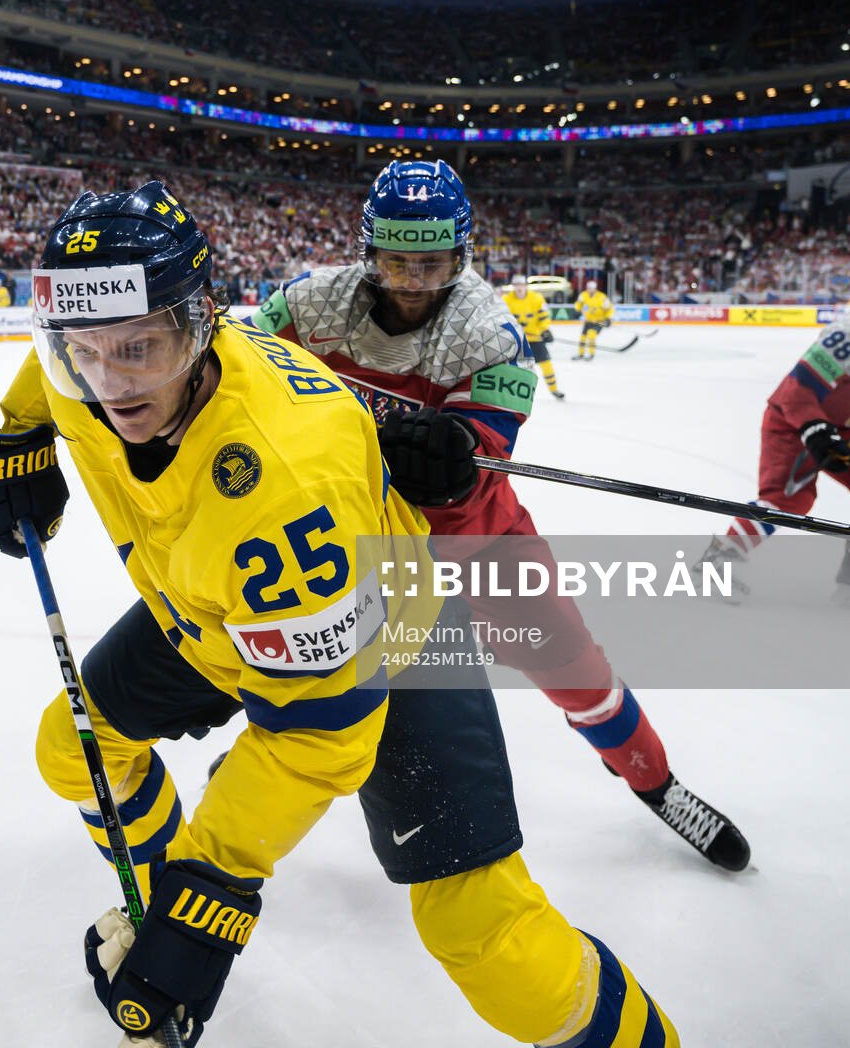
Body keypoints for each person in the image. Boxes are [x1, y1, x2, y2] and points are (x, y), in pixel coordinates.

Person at [0, 180, 677, 1048]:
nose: (111, 383)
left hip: (388, 639)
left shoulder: (287, 489)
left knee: (489, 942)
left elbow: (321, 732)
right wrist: (16, 434)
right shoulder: (91, 369)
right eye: (84, 351)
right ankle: (151, 896)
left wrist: (214, 886)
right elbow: (76, 359)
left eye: (140, 349)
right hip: (213, 617)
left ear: (200, 327)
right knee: (73, 749)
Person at [255, 159, 748, 870]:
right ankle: (270, 767)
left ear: (461, 254)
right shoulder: (308, 303)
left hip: (476, 542)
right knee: (308, 670)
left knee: (574, 668)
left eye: (434, 263)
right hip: (353, 540)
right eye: (396, 262)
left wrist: (450, 454)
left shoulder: (489, 330)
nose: (415, 283)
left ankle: (655, 781)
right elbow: (242, 370)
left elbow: (482, 444)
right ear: (369, 252)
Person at [702, 273, 850, 614]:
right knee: (789, 500)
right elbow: (798, 390)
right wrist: (816, 432)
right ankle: (716, 561)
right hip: (793, 424)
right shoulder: (847, 337)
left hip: (847, 428)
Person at [503, 275, 564, 398]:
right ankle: (509, 392)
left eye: (521, 285)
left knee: (546, 364)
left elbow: (544, 317)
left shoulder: (537, 298)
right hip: (517, 340)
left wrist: (544, 330)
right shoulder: (506, 299)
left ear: (526, 285)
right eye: (516, 285)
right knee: (512, 367)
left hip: (535, 338)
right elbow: (502, 318)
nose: (519, 288)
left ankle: (554, 389)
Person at [573, 277, 614, 361]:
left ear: (595, 289)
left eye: (592, 288)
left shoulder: (601, 297)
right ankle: (581, 354)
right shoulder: (583, 295)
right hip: (588, 321)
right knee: (583, 337)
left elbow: (609, 308)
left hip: (600, 321)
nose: (590, 290)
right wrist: (577, 311)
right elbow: (578, 304)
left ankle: (591, 354)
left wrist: (608, 319)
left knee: (591, 334)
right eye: (589, 288)